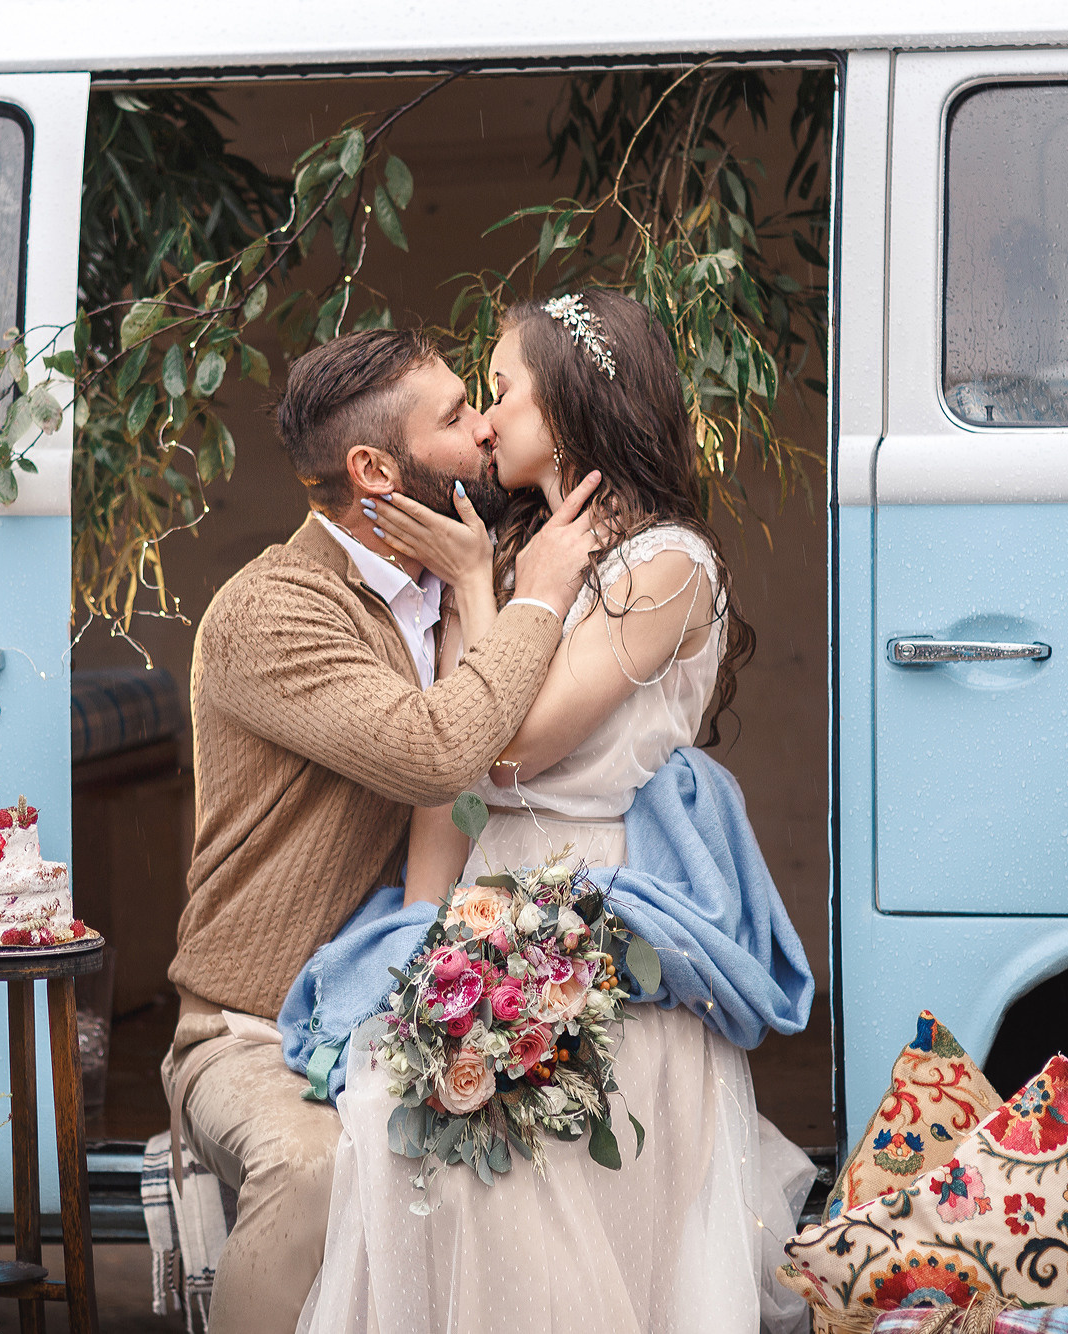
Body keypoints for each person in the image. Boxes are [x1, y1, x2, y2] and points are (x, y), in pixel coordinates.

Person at [301, 291, 814, 1334]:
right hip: (491, 906)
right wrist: (417, 929)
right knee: (437, 1182)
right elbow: (456, 766)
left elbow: (515, 739)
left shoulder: (665, 566)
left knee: (570, 1228)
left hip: (594, 924)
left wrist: (483, 591)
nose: (482, 422)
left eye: (499, 393)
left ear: (573, 409)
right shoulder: (516, 551)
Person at [162, 326, 603, 1334]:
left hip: (416, 1001)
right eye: (455, 417)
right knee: (320, 1168)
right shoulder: (270, 611)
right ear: (374, 468)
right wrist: (532, 594)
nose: (486, 427)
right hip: (253, 1028)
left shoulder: (463, 581)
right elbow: (437, 755)